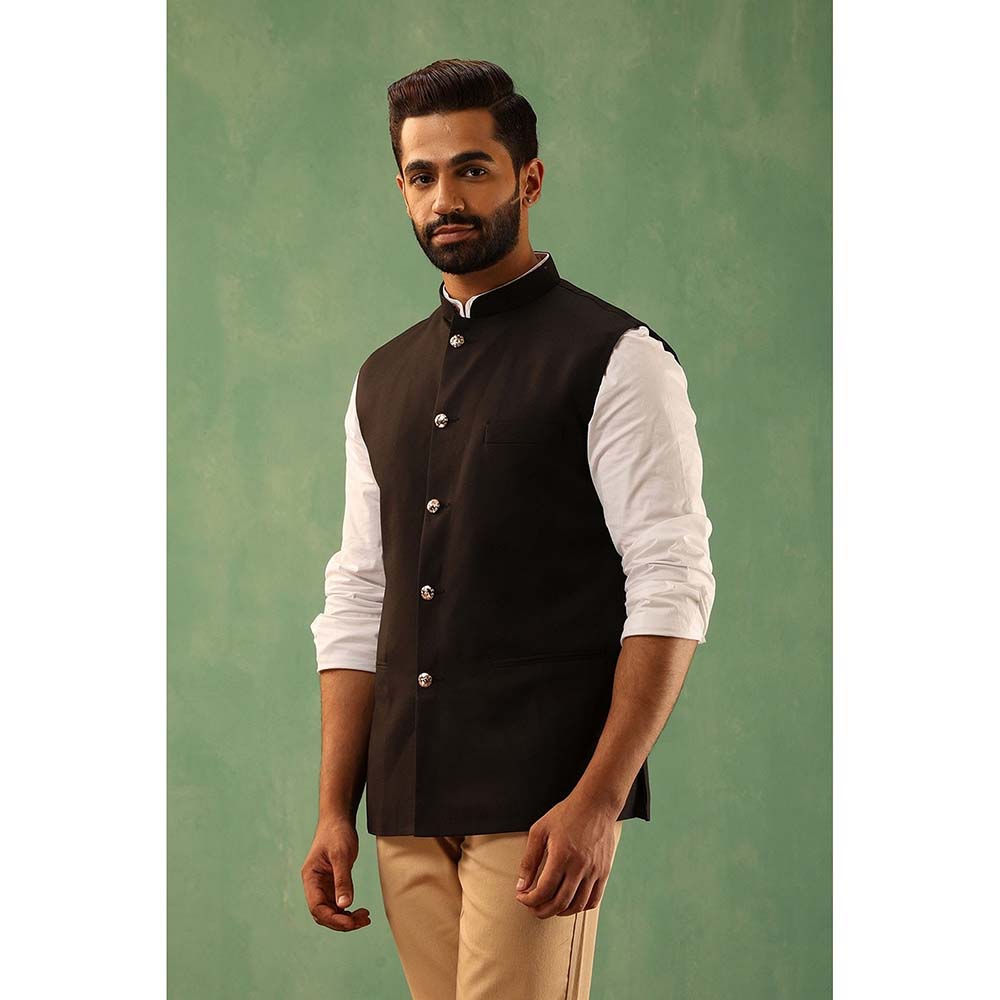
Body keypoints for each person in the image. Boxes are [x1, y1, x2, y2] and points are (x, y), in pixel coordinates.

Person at [301, 58, 716, 999]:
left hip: (541, 801)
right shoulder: (381, 378)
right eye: (422, 175)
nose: (445, 197)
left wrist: (600, 800)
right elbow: (359, 593)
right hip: (404, 798)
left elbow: (671, 581)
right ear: (401, 188)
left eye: (472, 169)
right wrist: (334, 808)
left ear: (528, 179)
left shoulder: (617, 358)